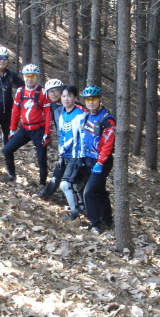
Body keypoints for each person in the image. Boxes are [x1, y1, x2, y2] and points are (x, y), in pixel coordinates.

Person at [2, 64, 51, 185]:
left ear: (37, 77)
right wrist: (12, 129)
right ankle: (11, 175)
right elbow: (15, 111)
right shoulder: (20, 91)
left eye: (33, 76)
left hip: (38, 130)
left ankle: (42, 184)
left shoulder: (43, 92)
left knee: (41, 159)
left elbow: (48, 113)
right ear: (24, 77)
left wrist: (47, 133)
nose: (30, 78)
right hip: (24, 129)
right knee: (7, 150)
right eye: (27, 76)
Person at [79, 85, 116, 234]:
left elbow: (108, 143)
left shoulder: (107, 119)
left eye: (93, 99)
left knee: (88, 193)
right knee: (99, 191)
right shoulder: (88, 116)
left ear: (100, 99)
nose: (91, 102)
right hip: (88, 158)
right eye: (88, 99)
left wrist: (100, 162)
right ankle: (107, 219)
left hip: (101, 162)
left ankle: (95, 224)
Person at [56, 85, 88, 220]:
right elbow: (62, 136)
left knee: (64, 184)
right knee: (76, 183)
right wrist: (61, 154)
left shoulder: (81, 115)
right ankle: (82, 208)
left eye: (69, 96)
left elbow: (83, 137)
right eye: (63, 96)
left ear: (75, 98)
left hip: (77, 156)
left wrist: (81, 156)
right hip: (66, 155)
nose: (66, 99)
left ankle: (75, 212)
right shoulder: (62, 115)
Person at [39, 78, 65, 198]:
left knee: (62, 168)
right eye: (50, 92)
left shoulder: (71, 105)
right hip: (62, 141)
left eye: (55, 90)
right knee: (62, 167)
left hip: (75, 143)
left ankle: (47, 192)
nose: (53, 94)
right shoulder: (52, 106)